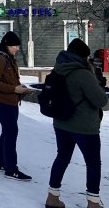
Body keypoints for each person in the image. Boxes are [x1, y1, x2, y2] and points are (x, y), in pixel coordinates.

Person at [45, 38, 107, 208]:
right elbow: (101, 100)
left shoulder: (58, 69)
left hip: (61, 123)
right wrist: (95, 79)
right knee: (93, 163)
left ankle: (52, 197)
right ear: (83, 57)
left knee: (62, 158)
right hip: (84, 127)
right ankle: (93, 202)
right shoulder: (83, 73)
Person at [0, 31, 32, 181]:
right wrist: (14, 89)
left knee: (7, 131)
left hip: (10, 100)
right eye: (15, 46)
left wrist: (20, 87)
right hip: (1, 101)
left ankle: (0, 162)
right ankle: (11, 169)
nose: (17, 48)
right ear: (7, 45)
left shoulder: (8, 58)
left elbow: (9, 79)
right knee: (11, 131)